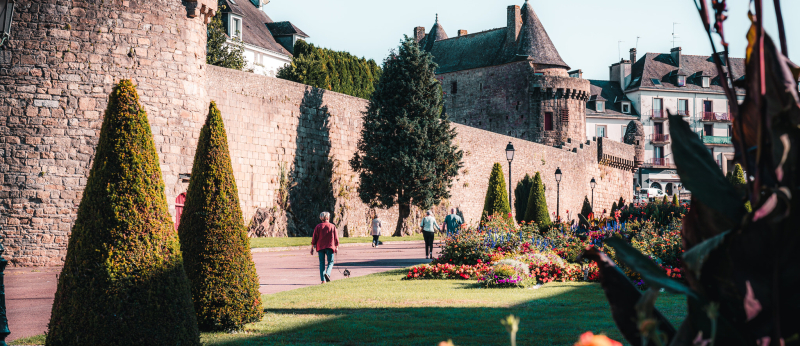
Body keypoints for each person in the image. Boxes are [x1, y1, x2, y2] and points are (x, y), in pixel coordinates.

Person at [311, 211, 339, 284]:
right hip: (330, 246)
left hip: (320, 247)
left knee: (322, 263)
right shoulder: (332, 226)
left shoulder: (318, 227)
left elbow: (314, 238)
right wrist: (336, 246)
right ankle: (328, 274)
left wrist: (312, 248)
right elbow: (336, 237)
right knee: (331, 262)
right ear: (328, 217)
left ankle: (323, 280)